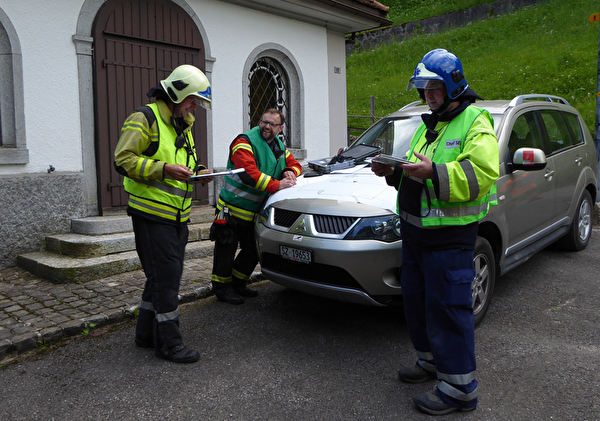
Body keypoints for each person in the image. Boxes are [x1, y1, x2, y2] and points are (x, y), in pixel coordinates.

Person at [371, 49, 499, 415]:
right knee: (419, 304)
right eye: (423, 88)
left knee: (448, 310)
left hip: (449, 240)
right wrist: (392, 172)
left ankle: (460, 389)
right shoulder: (433, 124)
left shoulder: (475, 120)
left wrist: (434, 173)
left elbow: (482, 174)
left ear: (453, 84)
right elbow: (416, 175)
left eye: (434, 87)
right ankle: (430, 363)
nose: (428, 94)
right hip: (415, 238)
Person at [114, 64, 214, 363]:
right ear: (177, 92)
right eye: (192, 99)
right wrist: (163, 170)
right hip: (152, 216)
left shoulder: (182, 123)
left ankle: (145, 335)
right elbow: (123, 159)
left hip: (177, 218)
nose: (194, 106)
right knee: (167, 280)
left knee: (158, 277)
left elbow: (184, 161)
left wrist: (199, 173)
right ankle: (169, 344)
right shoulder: (144, 117)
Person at [210, 109, 302, 304]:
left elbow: (295, 164)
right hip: (232, 210)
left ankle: (237, 283)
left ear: (280, 128)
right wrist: (278, 185)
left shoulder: (277, 146)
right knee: (226, 250)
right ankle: (222, 289)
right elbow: (248, 174)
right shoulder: (243, 142)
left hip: (254, 213)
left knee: (253, 250)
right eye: (263, 122)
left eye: (272, 124)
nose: (266, 127)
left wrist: (288, 172)